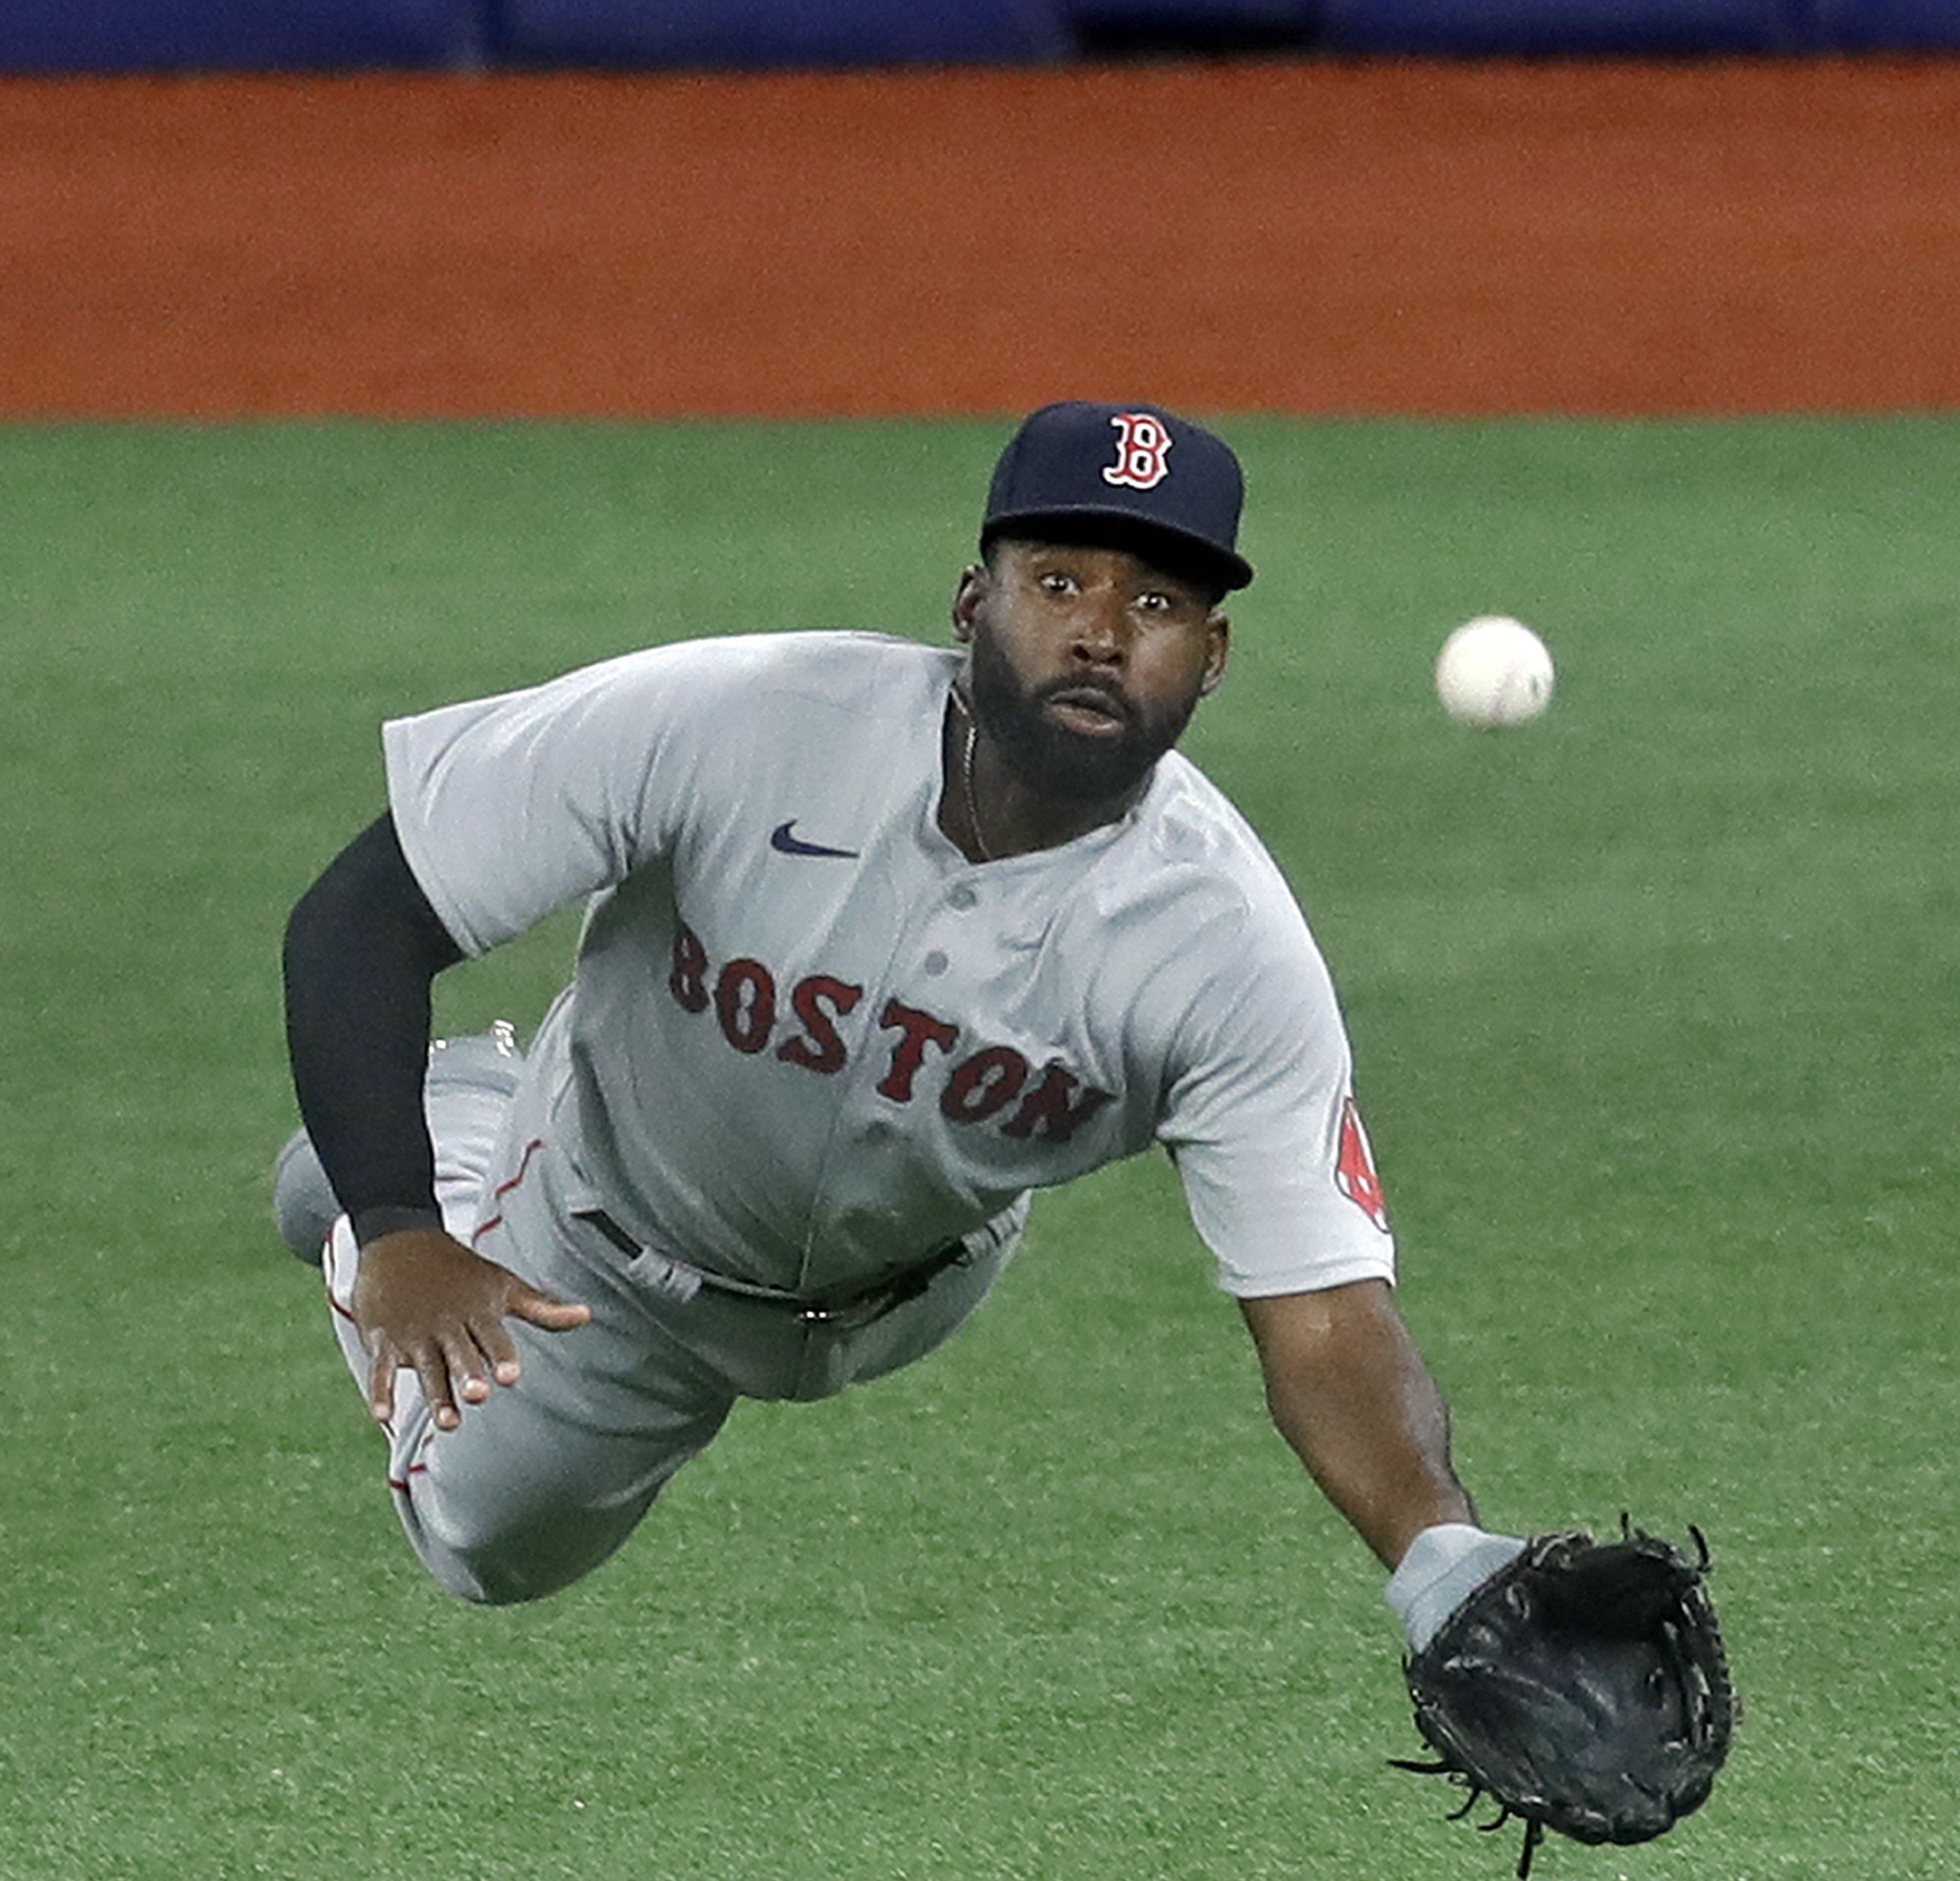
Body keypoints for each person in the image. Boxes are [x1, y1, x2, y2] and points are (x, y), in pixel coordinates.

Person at [276, 400, 1525, 1660]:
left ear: (1211, 657)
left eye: (1155, 604)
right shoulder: (739, 721)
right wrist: (397, 1233)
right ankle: (441, 1136)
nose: (1097, 631)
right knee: (483, 1538)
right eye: (1057, 581)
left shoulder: (1224, 945)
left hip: (913, 1284)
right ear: (973, 606)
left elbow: (1324, 1312)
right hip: (608, 1237)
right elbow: (365, 918)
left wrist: (1444, 1558)